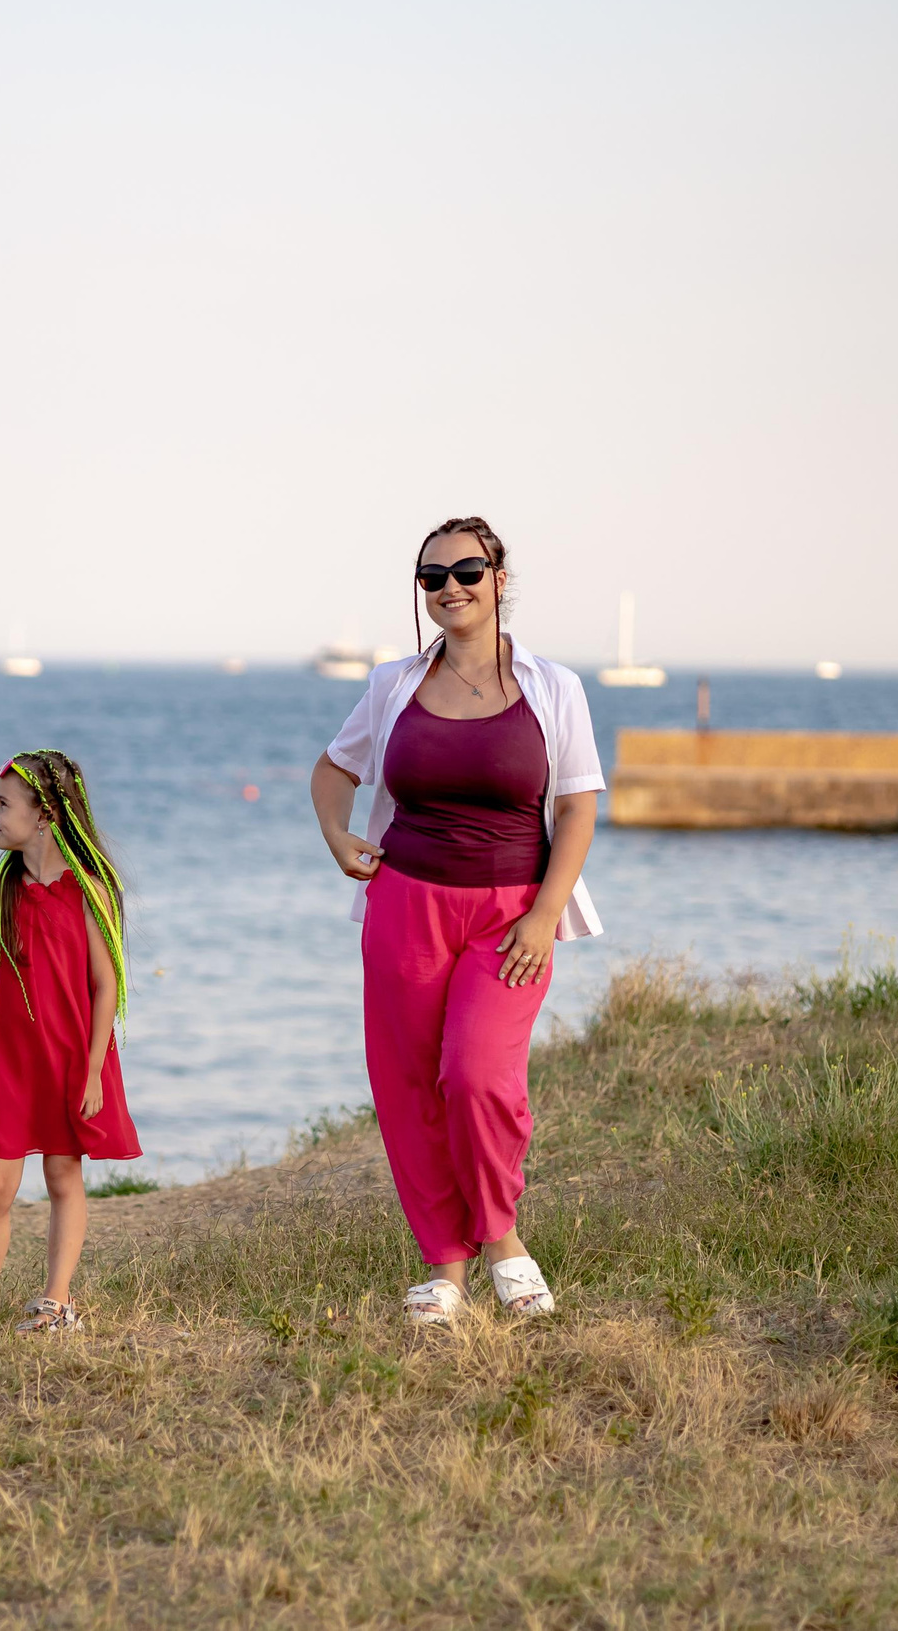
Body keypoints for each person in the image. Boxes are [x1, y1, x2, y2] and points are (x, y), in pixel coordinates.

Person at [309, 516, 603, 1327]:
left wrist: (546, 914)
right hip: (405, 902)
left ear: (501, 580)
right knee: (409, 1086)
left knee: (477, 1074)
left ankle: (502, 1239)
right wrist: (339, 836)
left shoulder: (552, 686)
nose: (450, 588)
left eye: (467, 571)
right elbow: (334, 768)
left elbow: (578, 803)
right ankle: (445, 1268)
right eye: (432, 577)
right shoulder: (393, 684)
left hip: (512, 913)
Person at [0, 750, 142, 1340]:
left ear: (45, 814)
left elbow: (105, 986)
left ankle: (56, 1301)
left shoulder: (91, 891)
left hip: (73, 1056)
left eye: (3, 805)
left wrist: (95, 1068)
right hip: (8, 1060)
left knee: (61, 1175)